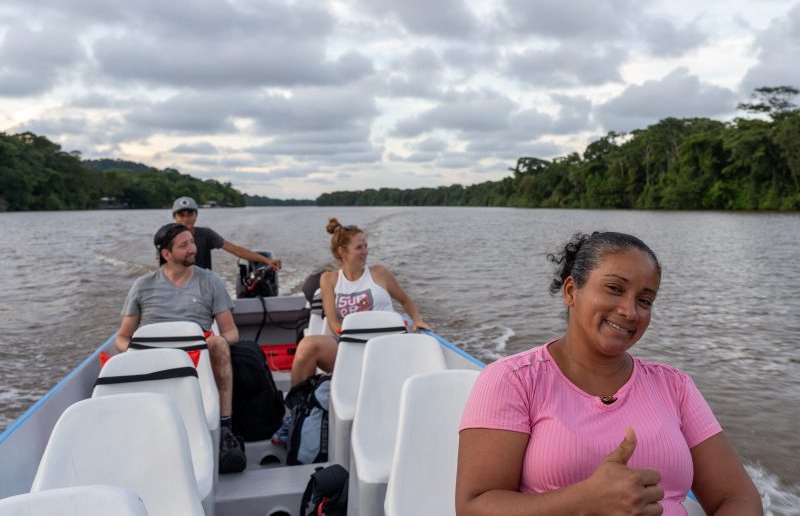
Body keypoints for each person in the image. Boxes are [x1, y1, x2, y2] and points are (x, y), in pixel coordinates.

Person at [456, 232, 762, 516]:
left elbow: (737, 497)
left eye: (644, 300)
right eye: (615, 289)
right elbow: (474, 505)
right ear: (572, 291)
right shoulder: (514, 379)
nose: (630, 311)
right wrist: (584, 500)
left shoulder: (674, 386)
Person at [115, 222, 247, 474]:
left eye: (193, 242)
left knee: (220, 343)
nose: (193, 249)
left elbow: (231, 332)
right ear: (166, 254)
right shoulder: (142, 286)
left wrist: (211, 342)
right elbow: (122, 338)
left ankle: (225, 429)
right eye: (184, 245)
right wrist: (134, 351)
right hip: (153, 359)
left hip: (198, 356)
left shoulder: (210, 281)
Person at [290, 218, 430, 386]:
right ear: (342, 252)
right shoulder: (329, 280)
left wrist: (417, 319)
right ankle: (299, 404)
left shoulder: (379, 273)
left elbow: (405, 301)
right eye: (359, 247)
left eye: (365, 246)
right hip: (351, 346)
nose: (365, 252)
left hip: (385, 345)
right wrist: (352, 337)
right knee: (307, 347)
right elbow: (334, 322)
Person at [171, 196, 282, 272]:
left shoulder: (206, 234)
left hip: (203, 284)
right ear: (174, 218)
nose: (186, 219)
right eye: (181, 215)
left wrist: (267, 261)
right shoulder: (167, 238)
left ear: (196, 215)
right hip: (178, 284)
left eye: (190, 214)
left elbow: (236, 250)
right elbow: (164, 267)